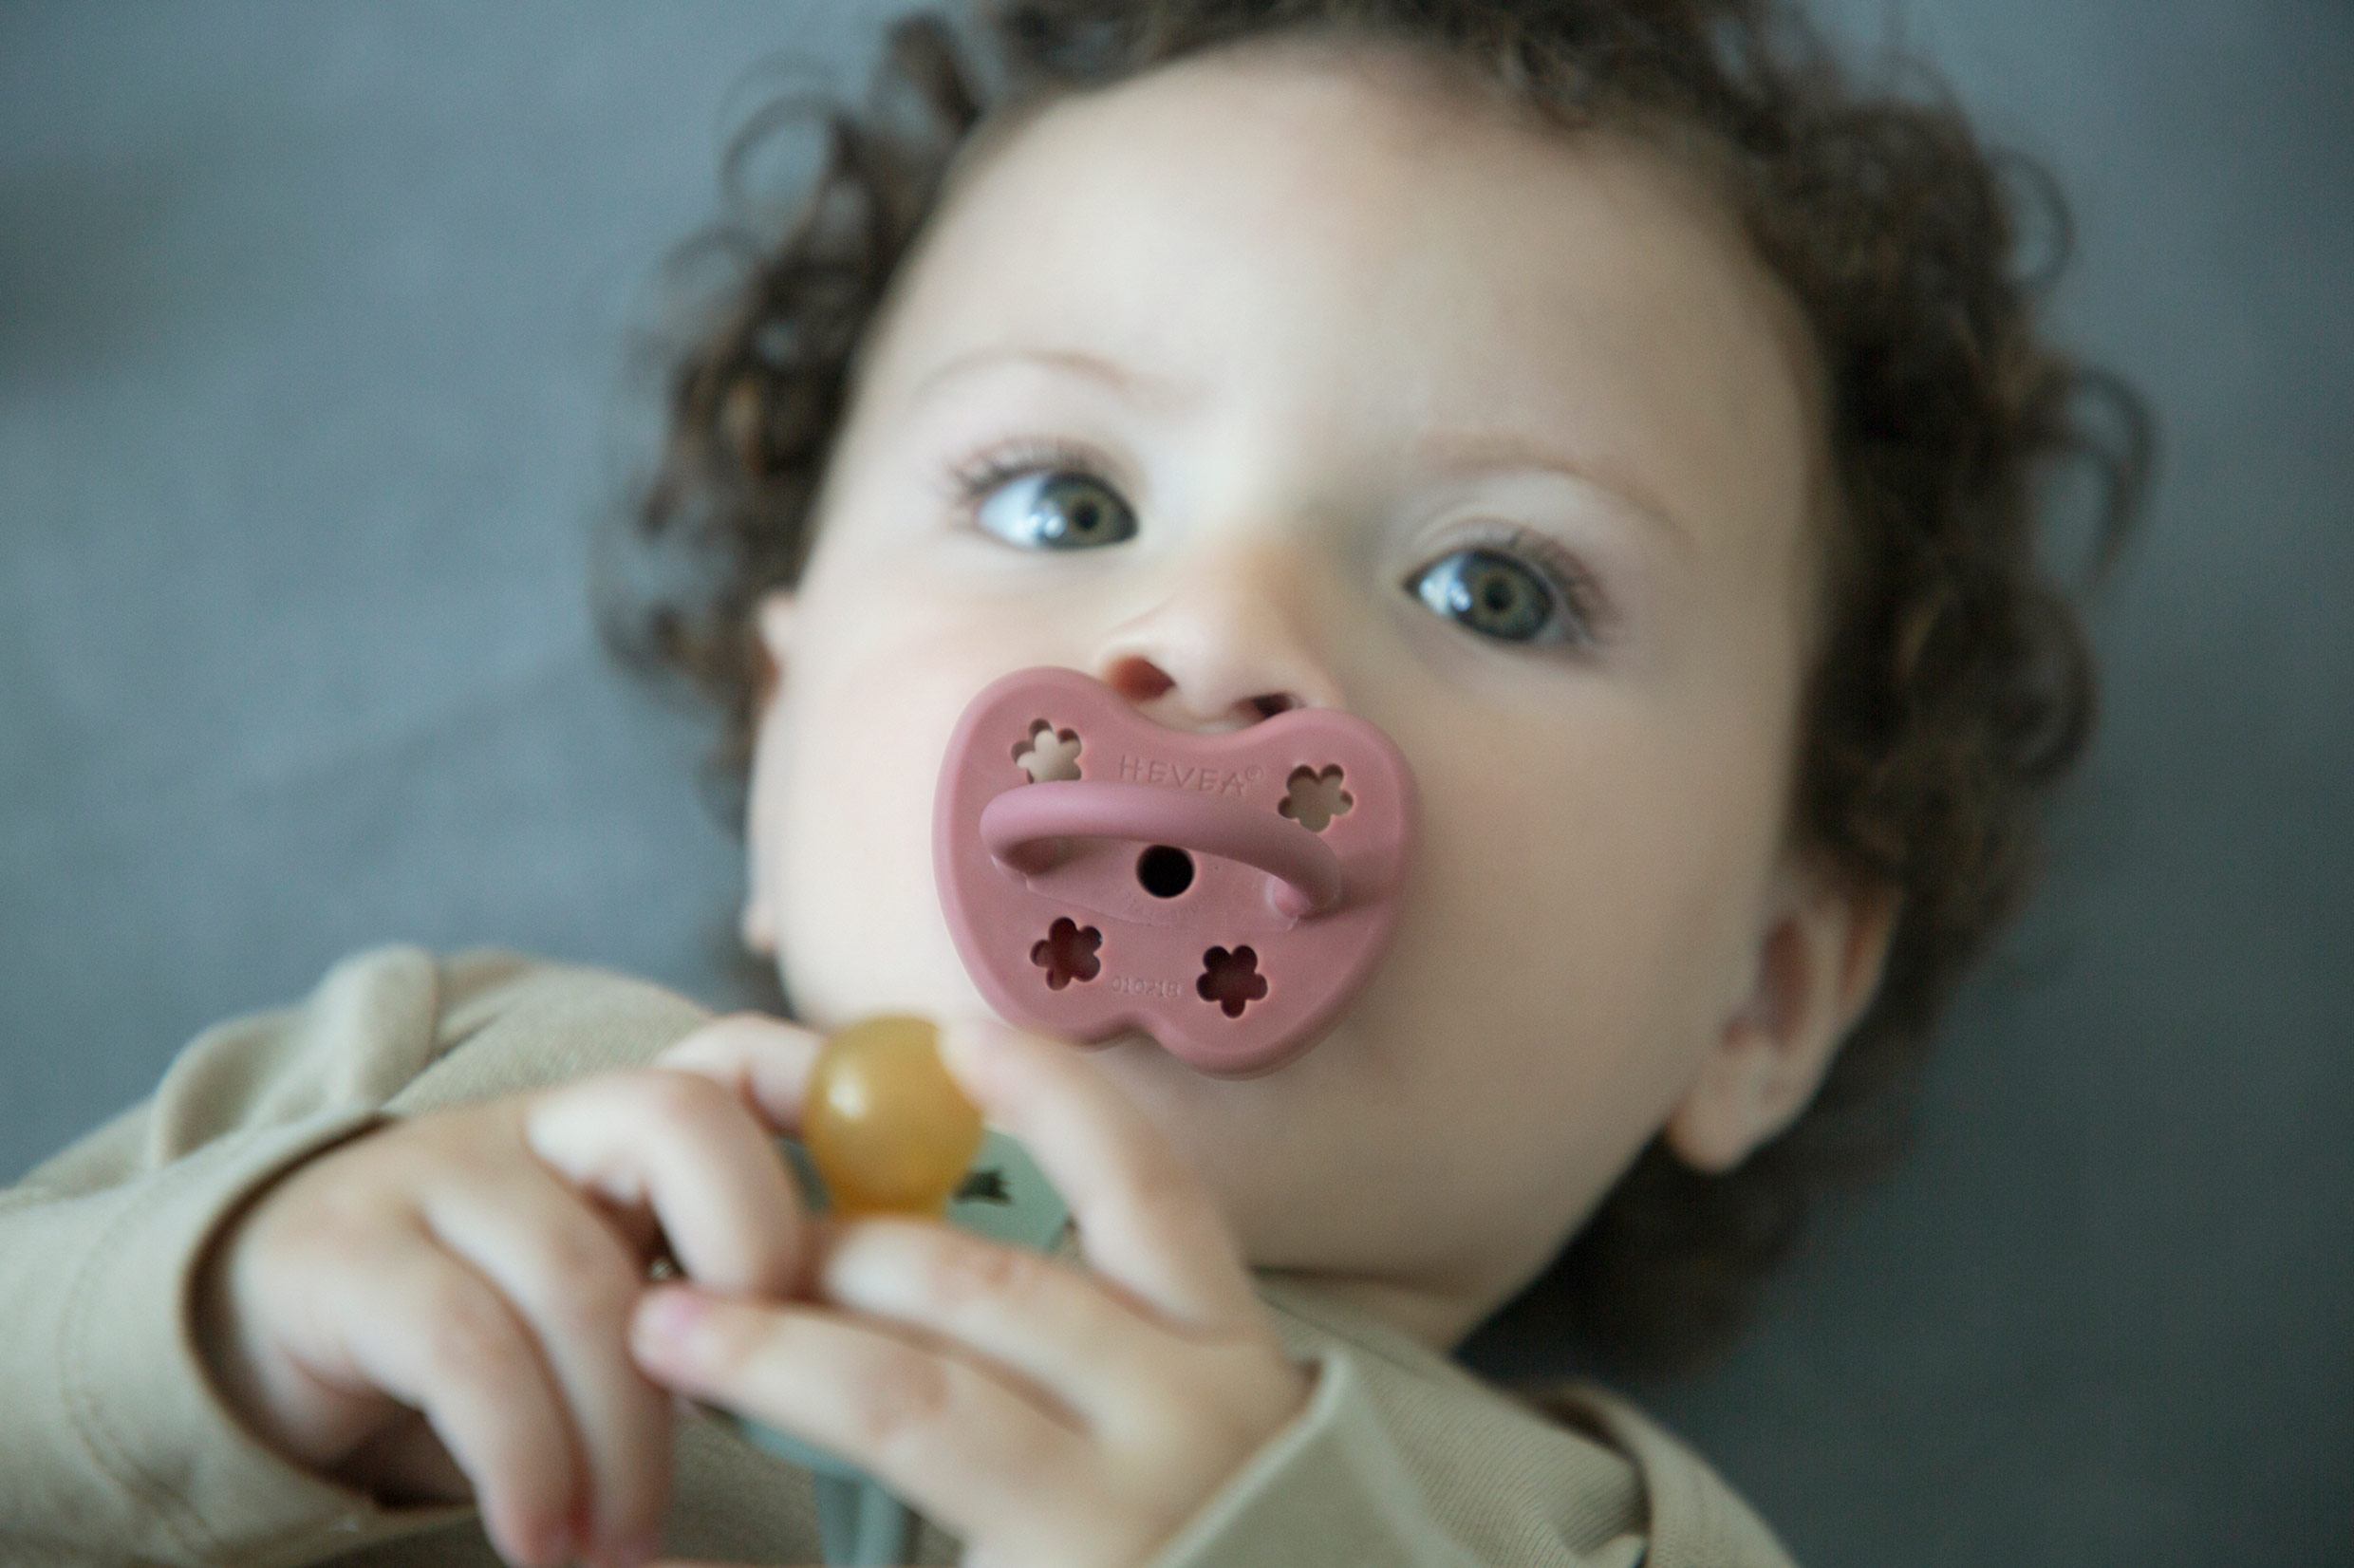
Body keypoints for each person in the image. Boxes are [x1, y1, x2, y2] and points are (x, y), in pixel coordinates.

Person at [0, 2, 2146, 1564]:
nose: (1215, 639)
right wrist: (209, 1336)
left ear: (1762, 990)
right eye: (1061, 504)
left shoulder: (1585, 1538)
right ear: (782, 746)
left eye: (1494, 587)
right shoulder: (451, 1097)